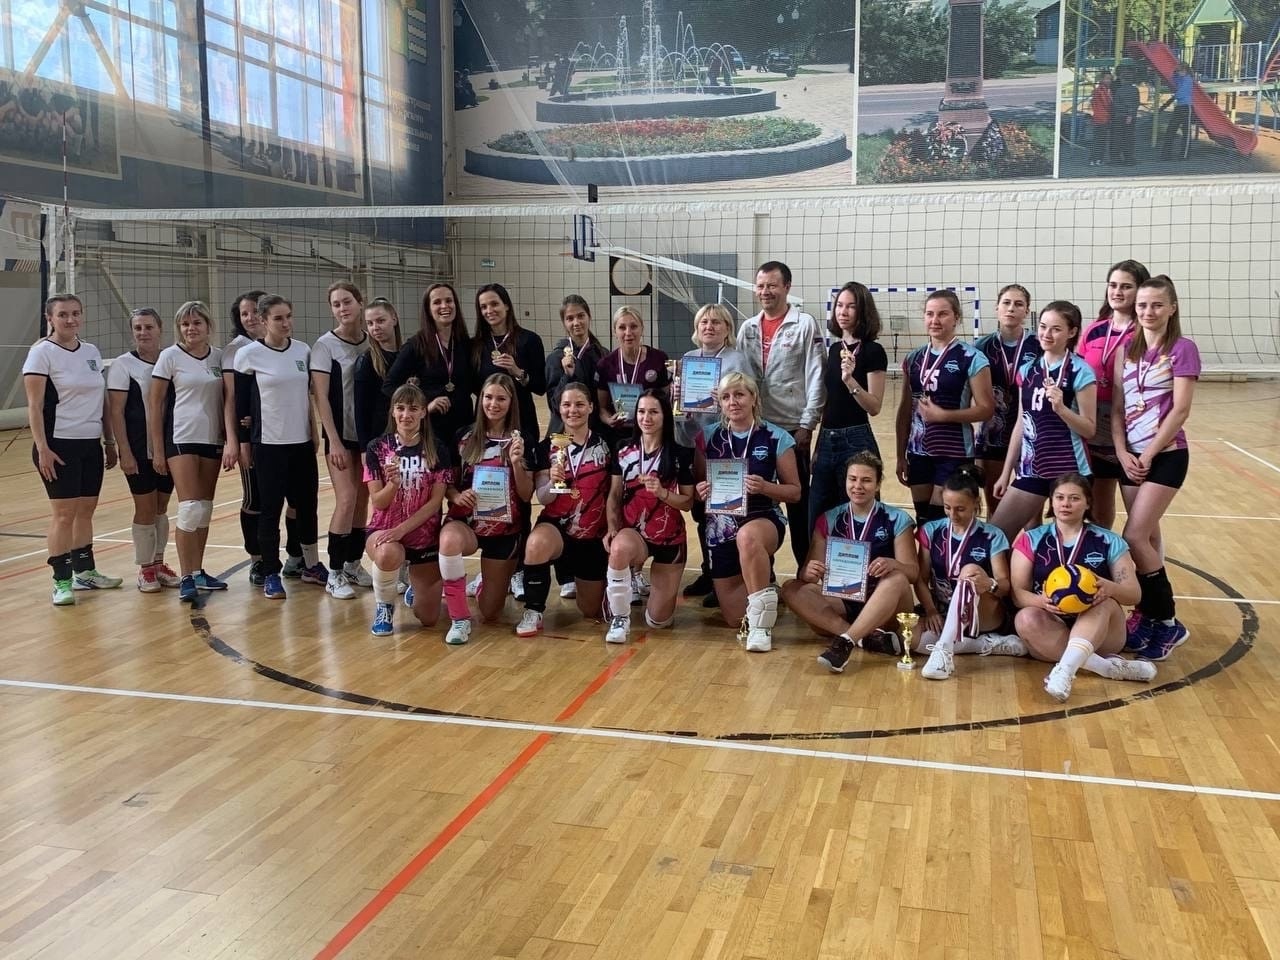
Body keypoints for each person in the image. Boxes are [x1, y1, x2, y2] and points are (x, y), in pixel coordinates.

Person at [1111, 276, 1200, 661]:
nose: (1148, 311)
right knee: (1144, 537)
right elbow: (1116, 409)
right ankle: (1148, 616)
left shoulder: (1182, 349)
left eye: (1157, 305)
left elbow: (1180, 410)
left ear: (1172, 308)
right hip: (1130, 458)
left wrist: (1147, 455)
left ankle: (1167, 621)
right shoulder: (1126, 351)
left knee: (1133, 535)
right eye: (1143, 305)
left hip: (1166, 456)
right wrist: (1121, 452)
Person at [1010, 473, 1154, 703]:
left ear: (1088, 503)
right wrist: (1041, 602)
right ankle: (1105, 668)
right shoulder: (1032, 540)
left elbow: (1134, 594)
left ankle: (1065, 670)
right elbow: (1018, 594)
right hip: (1051, 627)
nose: (1065, 504)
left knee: (1104, 602)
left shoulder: (1108, 541)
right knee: (1025, 618)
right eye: (1059, 497)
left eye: (1074, 498)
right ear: (1051, 501)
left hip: (1102, 632)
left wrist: (1110, 588)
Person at [23, 294, 121, 605]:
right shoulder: (42, 353)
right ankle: (61, 580)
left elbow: (101, 400)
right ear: (50, 319)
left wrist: (108, 441)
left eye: (76, 313)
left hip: (89, 444)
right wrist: (43, 448)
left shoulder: (91, 351)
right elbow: (34, 406)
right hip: (58, 445)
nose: (70, 319)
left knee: (85, 511)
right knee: (64, 515)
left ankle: (85, 572)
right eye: (63, 314)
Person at [780, 451, 916, 674]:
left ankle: (846, 641)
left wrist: (893, 563)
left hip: (885, 605)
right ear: (845, 481)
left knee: (897, 578)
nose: (858, 486)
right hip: (845, 601)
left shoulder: (897, 519)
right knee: (791, 589)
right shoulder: (829, 519)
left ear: (878, 484)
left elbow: (912, 572)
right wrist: (809, 572)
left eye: (866, 480)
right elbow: (806, 573)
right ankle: (862, 638)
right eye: (853, 479)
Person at [696, 372, 801, 652]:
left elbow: (795, 492)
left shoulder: (776, 437)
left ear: (754, 398)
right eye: (726, 397)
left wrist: (766, 487)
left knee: (748, 537)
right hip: (721, 525)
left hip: (761, 517)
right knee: (735, 619)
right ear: (719, 403)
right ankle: (765, 585)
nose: (733, 402)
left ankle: (761, 627)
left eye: (740, 394)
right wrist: (700, 490)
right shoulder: (708, 437)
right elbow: (696, 486)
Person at [234, 294, 324, 599]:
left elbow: (307, 396)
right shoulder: (248, 355)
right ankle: (271, 572)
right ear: (263, 321)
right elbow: (241, 404)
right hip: (268, 444)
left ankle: (311, 565)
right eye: (278, 318)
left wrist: (314, 432)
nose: (285, 323)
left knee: (307, 506)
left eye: (288, 316)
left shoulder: (302, 350)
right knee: (270, 510)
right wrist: (244, 443)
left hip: (301, 443)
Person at [736, 260, 825, 566]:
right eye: (761, 286)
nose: (766, 291)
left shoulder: (805, 324)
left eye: (772, 285)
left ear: (787, 287)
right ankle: (764, 573)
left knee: (799, 505)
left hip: (791, 428)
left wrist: (807, 424)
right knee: (756, 503)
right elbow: (738, 376)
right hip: (757, 428)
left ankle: (805, 571)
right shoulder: (747, 328)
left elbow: (816, 375)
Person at [149, 301, 237, 602]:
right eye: (185, 324)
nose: (191, 328)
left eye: (197, 323)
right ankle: (186, 576)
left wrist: (230, 438)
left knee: (204, 509)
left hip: (211, 439)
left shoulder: (219, 357)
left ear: (208, 326)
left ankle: (198, 571)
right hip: (180, 438)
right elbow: (155, 404)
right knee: (189, 509)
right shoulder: (170, 357)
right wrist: (157, 449)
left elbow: (228, 399)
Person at [437, 373, 533, 644]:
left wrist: (516, 463)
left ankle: (483, 582)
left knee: (491, 613)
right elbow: (448, 484)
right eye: (488, 397)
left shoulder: (521, 440)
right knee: (449, 540)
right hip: (466, 521)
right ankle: (459, 619)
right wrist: (457, 496)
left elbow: (527, 494)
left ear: (511, 402)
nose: (493, 404)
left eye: (501, 398)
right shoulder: (464, 436)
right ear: (480, 400)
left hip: (505, 530)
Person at [991, 301, 1097, 540]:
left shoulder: (1080, 371)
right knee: (996, 536)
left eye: (1056, 329)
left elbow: (1089, 429)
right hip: (1032, 469)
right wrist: (1006, 472)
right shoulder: (1028, 370)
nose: (1047, 334)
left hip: (1069, 470)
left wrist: (1061, 409)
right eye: (1043, 326)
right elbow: (1022, 422)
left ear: (1072, 332)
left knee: (1066, 541)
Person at [515, 382, 614, 637]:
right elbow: (543, 498)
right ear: (559, 409)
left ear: (591, 407)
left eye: (580, 404)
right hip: (557, 527)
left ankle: (604, 589)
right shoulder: (547, 447)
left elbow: (616, 492)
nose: (573, 410)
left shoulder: (607, 444)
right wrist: (552, 480)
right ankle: (533, 610)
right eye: (567, 405)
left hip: (592, 534)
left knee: (590, 611)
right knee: (536, 544)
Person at [913, 464, 1026, 681]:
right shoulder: (931, 531)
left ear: (976, 503)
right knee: (914, 640)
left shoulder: (992, 535)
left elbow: (1004, 585)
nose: (953, 515)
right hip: (943, 610)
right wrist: (930, 610)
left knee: (970, 570)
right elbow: (921, 578)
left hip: (982, 613)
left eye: (960, 509)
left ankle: (944, 650)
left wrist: (989, 584)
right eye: (947, 507)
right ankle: (986, 645)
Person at [222, 289, 303, 585]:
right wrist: (236, 439)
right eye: (244, 313)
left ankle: (296, 555)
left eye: (255, 311)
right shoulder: (238, 351)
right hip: (258, 439)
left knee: (296, 499)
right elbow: (233, 399)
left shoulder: (291, 347)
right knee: (257, 500)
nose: (250, 318)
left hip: (290, 438)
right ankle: (258, 560)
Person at [894, 290, 995, 525]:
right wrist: (900, 455)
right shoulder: (913, 358)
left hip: (954, 453)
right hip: (918, 452)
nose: (935, 320)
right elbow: (905, 411)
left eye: (942, 314)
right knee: (923, 521)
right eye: (930, 314)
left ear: (956, 317)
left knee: (943, 521)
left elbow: (986, 408)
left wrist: (944, 415)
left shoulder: (972, 357)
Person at [603, 389, 695, 644]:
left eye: (654, 412)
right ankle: (619, 617)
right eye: (642, 411)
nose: (646, 418)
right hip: (634, 533)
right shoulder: (623, 449)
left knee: (658, 621)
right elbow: (614, 494)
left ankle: (650, 592)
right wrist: (612, 527)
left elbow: (688, 503)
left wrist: (663, 493)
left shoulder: (679, 453)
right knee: (619, 548)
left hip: (669, 538)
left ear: (665, 416)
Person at [364, 378, 452, 637]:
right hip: (385, 531)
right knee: (387, 553)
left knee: (429, 619)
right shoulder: (377, 448)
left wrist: (402, 529)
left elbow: (435, 503)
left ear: (424, 412)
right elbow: (378, 502)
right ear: (393, 411)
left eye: (413, 409)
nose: (406, 415)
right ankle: (384, 606)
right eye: (400, 408)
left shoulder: (437, 449)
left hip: (423, 536)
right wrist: (393, 484)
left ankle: (415, 583)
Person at [678, 303, 751, 604]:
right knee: (701, 510)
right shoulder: (688, 358)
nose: (709, 327)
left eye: (716, 322)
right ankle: (710, 572)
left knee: (728, 510)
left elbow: (749, 397)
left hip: (725, 446)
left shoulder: (737, 359)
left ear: (727, 328)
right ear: (697, 328)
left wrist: (721, 400)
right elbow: (682, 410)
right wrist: (679, 401)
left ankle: (735, 575)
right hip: (694, 443)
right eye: (704, 322)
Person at [108, 308, 178, 592]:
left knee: (161, 507)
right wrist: (123, 450)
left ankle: (159, 563)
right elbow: (116, 412)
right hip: (138, 449)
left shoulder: (171, 358)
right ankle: (145, 568)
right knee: (145, 508)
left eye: (148, 327)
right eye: (138, 328)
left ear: (160, 329)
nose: (143, 332)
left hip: (168, 446)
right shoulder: (123, 365)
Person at [1078, 259, 1150, 529]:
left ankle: (1146, 555)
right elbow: (1077, 373)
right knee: (1099, 501)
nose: (1117, 291)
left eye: (1126, 286)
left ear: (1141, 290)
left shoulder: (1146, 332)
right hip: (1095, 423)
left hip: (1132, 425)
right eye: (1113, 285)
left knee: (1140, 514)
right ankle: (1102, 550)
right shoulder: (1094, 330)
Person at [809, 281, 887, 530]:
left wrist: (850, 380)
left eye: (850, 306)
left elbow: (874, 406)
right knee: (817, 515)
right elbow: (829, 402)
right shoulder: (834, 350)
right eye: (839, 305)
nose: (843, 311)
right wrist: (818, 447)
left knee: (857, 517)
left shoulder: (873, 351)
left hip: (856, 439)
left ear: (863, 311)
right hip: (827, 439)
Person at [311, 281, 372, 599]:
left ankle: (352, 564)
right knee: (346, 498)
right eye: (336, 304)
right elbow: (320, 396)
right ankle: (334, 573)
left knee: (362, 501)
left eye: (347, 301)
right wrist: (332, 439)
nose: (342, 308)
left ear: (360, 302)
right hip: (340, 436)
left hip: (367, 437)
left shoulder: (370, 340)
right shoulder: (325, 346)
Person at [974, 283, 1040, 514]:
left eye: (1018, 304)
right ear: (997, 308)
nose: (1011, 308)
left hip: (1030, 435)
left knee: (1031, 515)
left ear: (1027, 310)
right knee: (995, 507)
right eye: (1006, 303)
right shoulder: (981, 347)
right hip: (992, 435)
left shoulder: (1039, 345)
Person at [384, 282, 476, 446]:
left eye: (449, 300)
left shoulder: (465, 344)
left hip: (465, 429)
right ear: (428, 309)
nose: (444, 306)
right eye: (437, 302)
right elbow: (390, 386)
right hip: (432, 432)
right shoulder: (415, 345)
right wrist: (424, 406)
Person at [472, 283, 546, 445]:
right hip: (487, 422)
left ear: (506, 305)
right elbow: (472, 385)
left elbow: (541, 387)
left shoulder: (529, 340)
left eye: (494, 304)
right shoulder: (475, 345)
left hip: (521, 420)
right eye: (483, 307)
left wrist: (518, 372)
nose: (489, 310)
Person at [594, 305, 670, 435]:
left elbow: (666, 402)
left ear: (642, 329)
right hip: (619, 435)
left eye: (634, 326)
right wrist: (609, 420)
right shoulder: (605, 365)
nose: (628, 333)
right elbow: (602, 408)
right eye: (622, 327)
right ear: (614, 331)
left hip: (651, 432)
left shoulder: (659, 359)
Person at [546, 294, 607, 438]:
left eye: (581, 316)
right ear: (564, 323)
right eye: (570, 318)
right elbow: (554, 405)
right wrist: (567, 376)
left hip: (597, 433)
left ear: (589, 317)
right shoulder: (555, 359)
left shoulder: (604, 356)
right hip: (564, 434)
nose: (576, 322)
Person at [353, 297, 403, 454]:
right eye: (370, 323)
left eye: (380, 321)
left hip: (408, 437)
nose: (375, 327)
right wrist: (364, 449)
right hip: (379, 440)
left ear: (394, 319)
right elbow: (361, 410)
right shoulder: (367, 360)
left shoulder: (408, 355)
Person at [1159, 63, 1194, 160]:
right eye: (1177, 71)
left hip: (1186, 106)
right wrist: (1175, 73)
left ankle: (1184, 155)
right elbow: (1173, 79)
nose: (1178, 73)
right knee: (1171, 129)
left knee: (1186, 131)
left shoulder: (1188, 79)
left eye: (1179, 71)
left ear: (1185, 71)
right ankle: (1166, 154)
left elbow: (1181, 93)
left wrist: (1173, 97)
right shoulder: (1180, 78)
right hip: (1179, 106)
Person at [1110, 67, 1138, 165]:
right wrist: (1130, 114)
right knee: (1129, 138)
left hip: (1119, 116)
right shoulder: (1135, 90)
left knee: (1117, 138)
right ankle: (1129, 158)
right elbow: (1135, 104)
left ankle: (1116, 158)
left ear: (1122, 79)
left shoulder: (1119, 90)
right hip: (1130, 117)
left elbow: (1116, 104)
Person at [1089, 70, 1113, 166]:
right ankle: (1097, 159)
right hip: (1102, 117)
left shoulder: (1099, 90)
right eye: (1107, 79)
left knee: (1097, 139)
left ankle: (1094, 159)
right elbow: (1107, 104)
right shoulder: (1102, 90)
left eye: (1110, 79)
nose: (1109, 81)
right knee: (1101, 140)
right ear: (1102, 79)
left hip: (1098, 117)